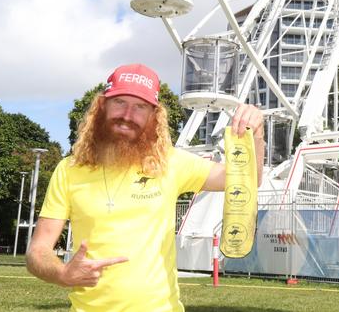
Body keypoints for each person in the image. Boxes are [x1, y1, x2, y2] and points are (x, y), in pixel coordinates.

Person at [26, 63, 264, 312]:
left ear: (153, 116)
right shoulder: (69, 169)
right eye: (119, 102)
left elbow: (248, 179)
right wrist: (62, 273)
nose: (127, 115)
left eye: (140, 107)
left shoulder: (170, 162)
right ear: (101, 106)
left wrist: (256, 134)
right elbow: (38, 250)